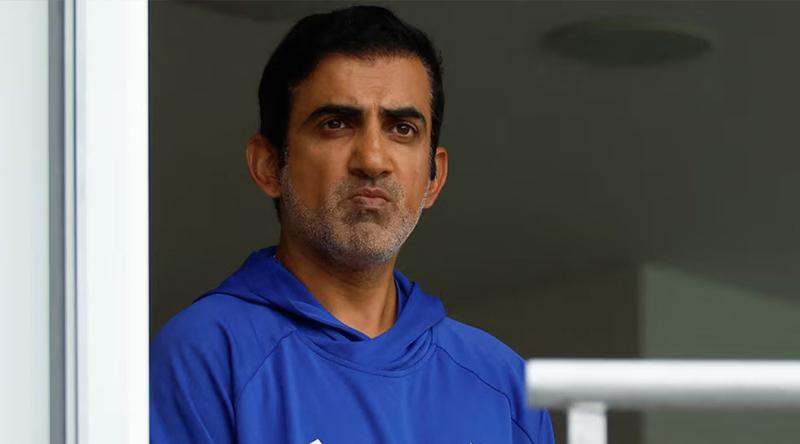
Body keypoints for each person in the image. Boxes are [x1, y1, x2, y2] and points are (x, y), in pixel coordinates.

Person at [150, 5, 554, 443]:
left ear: (434, 178)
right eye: (336, 124)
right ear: (268, 165)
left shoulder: (503, 384)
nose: (373, 159)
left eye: (402, 128)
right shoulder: (208, 354)